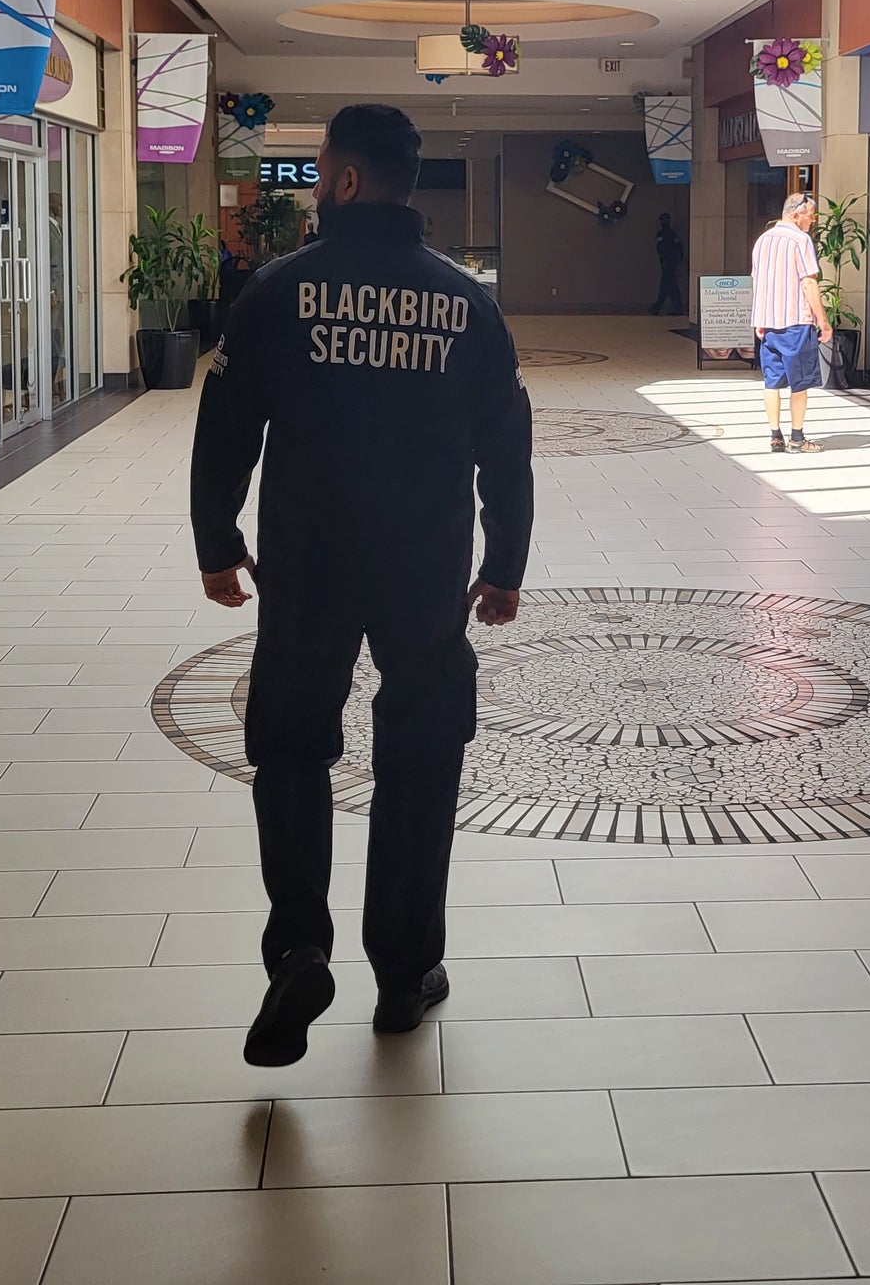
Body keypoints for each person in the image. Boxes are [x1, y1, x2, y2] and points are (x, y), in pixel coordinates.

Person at [190, 102, 534, 1068]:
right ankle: (404, 973)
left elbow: (225, 430)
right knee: (421, 758)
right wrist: (503, 562)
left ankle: (301, 946)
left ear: (342, 181)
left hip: (307, 563)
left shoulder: (276, 290)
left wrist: (217, 541)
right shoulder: (465, 301)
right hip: (422, 569)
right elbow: (507, 447)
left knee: (293, 749)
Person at [751, 194, 829, 453]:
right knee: (800, 382)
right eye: (810, 215)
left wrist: (758, 319)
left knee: (771, 382)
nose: (813, 220)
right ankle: (797, 437)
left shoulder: (762, 241)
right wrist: (823, 321)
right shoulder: (800, 240)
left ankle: (775, 436)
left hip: (769, 325)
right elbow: (808, 282)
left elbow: (757, 281)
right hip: (797, 322)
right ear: (796, 215)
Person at [649, 212, 686, 317]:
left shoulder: (667, 233)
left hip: (669, 263)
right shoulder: (667, 233)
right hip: (668, 262)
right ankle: (669, 307)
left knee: (667, 286)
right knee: (669, 286)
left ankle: (658, 308)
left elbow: (670, 248)